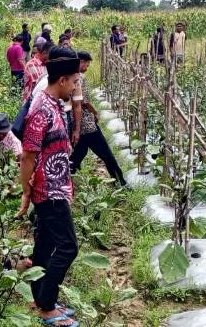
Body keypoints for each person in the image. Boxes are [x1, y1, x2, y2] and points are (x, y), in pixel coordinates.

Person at [16, 47, 81, 327]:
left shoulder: (55, 105)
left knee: (44, 246)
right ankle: (46, 304)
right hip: (48, 191)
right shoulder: (41, 110)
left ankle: (39, 297)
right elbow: (28, 156)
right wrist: (27, 192)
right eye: (75, 81)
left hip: (57, 187)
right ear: (62, 80)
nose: (76, 87)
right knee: (68, 247)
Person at [70, 52, 127, 186]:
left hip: (76, 123)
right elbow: (83, 101)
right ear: (81, 62)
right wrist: (95, 112)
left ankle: (67, 174)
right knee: (106, 153)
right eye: (87, 64)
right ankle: (120, 182)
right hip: (87, 124)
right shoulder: (80, 77)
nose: (87, 68)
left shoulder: (69, 76)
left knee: (80, 152)